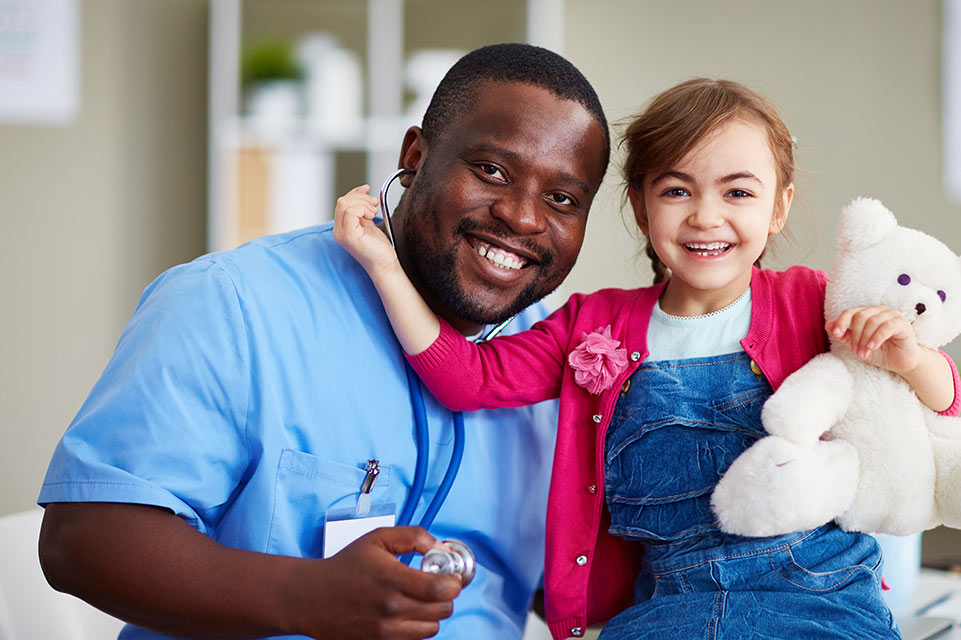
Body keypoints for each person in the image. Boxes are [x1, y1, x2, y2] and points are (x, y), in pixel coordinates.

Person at [334, 77, 961, 640]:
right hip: (668, 608)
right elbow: (468, 378)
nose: (706, 216)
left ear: (778, 208)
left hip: (820, 601)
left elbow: (944, 400)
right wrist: (384, 266)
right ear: (640, 206)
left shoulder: (812, 301)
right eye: (677, 190)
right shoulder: (592, 322)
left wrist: (908, 359)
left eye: (738, 192)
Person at [37, 43, 611, 640]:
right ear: (415, 156)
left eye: (562, 199)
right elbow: (81, 539)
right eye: (491, 170)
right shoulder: (233, 303)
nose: (522, 218)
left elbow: (578, 593)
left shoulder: (571, 365)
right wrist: (303, 597)